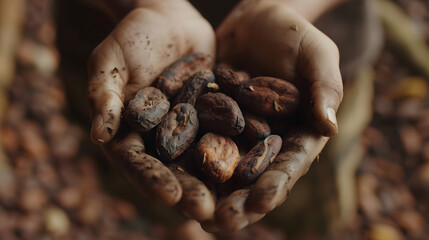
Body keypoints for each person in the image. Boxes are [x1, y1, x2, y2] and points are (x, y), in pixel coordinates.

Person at [56, 0, 382, 234]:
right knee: (156, 191)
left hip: (305, 48)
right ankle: (180, 227)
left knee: (312, 202)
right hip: (125, 46)